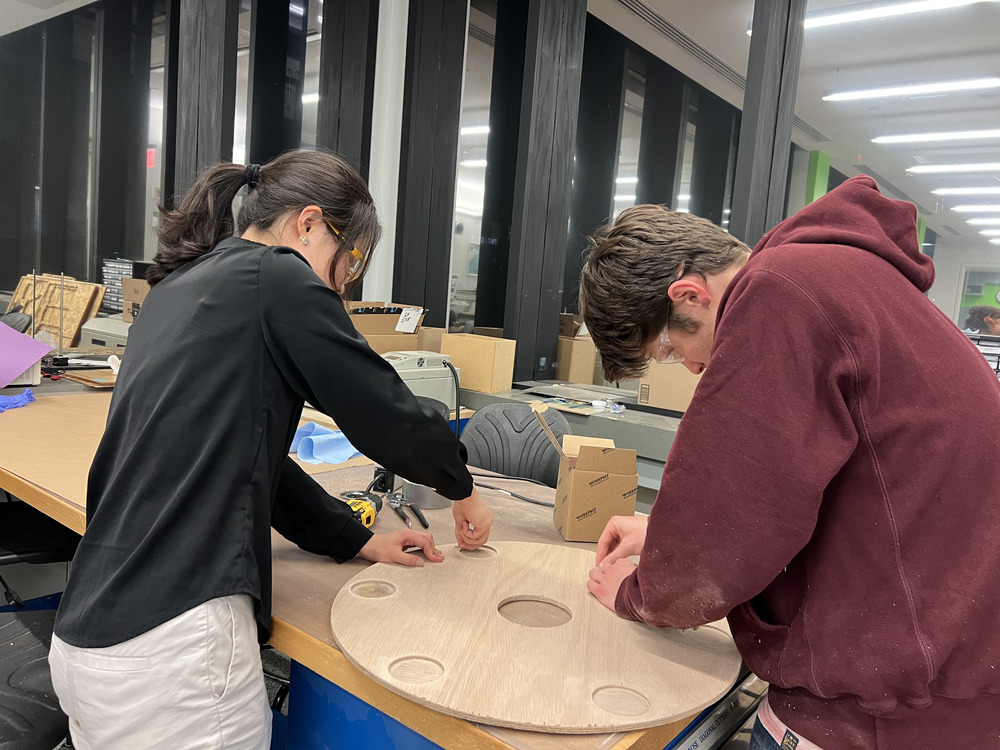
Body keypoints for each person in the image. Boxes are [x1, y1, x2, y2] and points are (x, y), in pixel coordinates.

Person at [48, 150, 494, 749]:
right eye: (351, 258)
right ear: (308, 224)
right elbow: (380, 407)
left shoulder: (178, 289)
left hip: (92, 645)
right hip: (176, 656)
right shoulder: (277, 276)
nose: (343, 283)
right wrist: (461, 485)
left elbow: (247, 457)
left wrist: (354, 538)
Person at [579, 175, 1000, 749]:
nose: (693, 368)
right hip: (950, 679)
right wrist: (664, 533)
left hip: (876, 712)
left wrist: (642, 592)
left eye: (673, 349)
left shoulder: (778, 292)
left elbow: (725, 515)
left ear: (689, 295)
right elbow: (822, 491)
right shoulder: (846, 275)